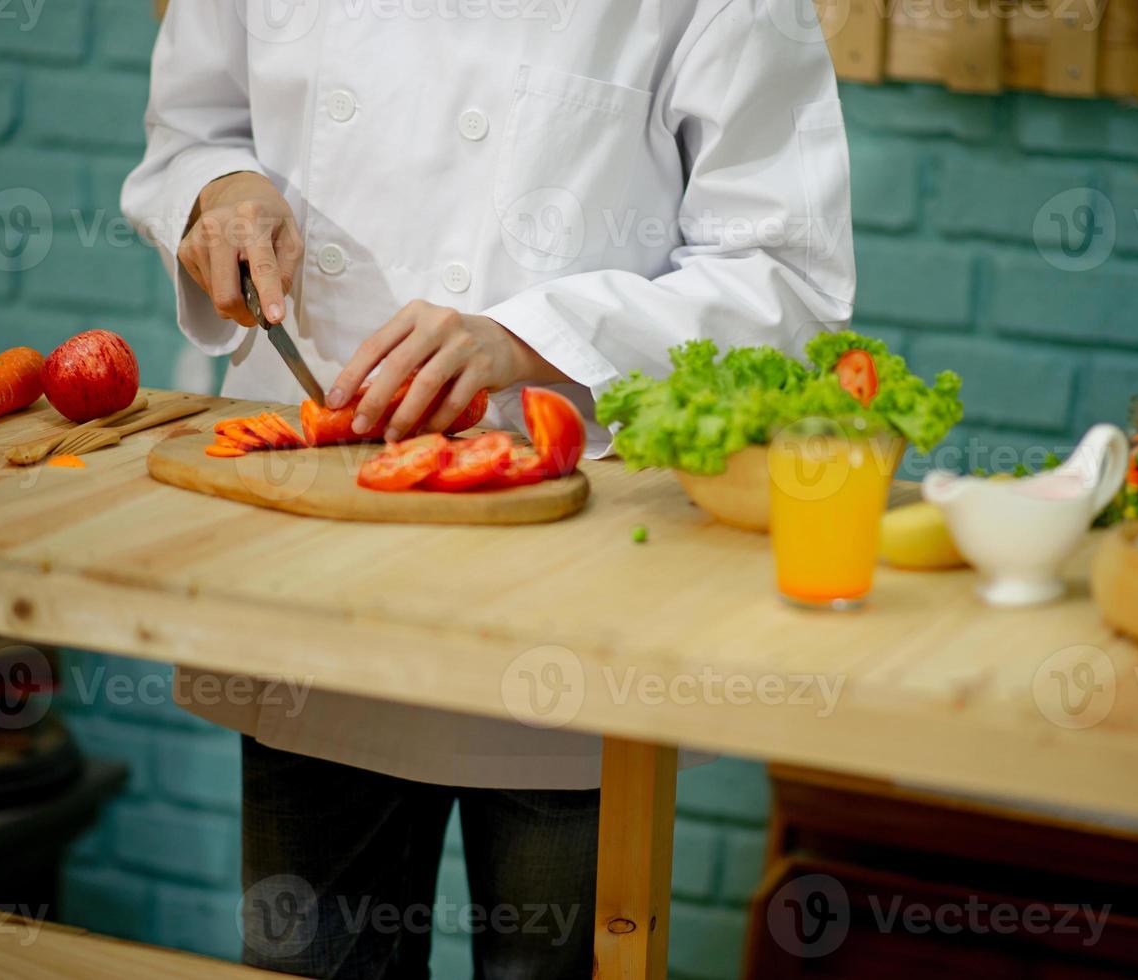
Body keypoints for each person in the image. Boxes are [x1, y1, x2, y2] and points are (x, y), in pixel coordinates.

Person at [123, 2, 854, 976]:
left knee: (550, 965)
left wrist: (530, 340)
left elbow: (785, 277)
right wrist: (222, 187)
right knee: (316, 959)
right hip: (311, 554)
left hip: (571, 580)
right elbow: (192, 127)